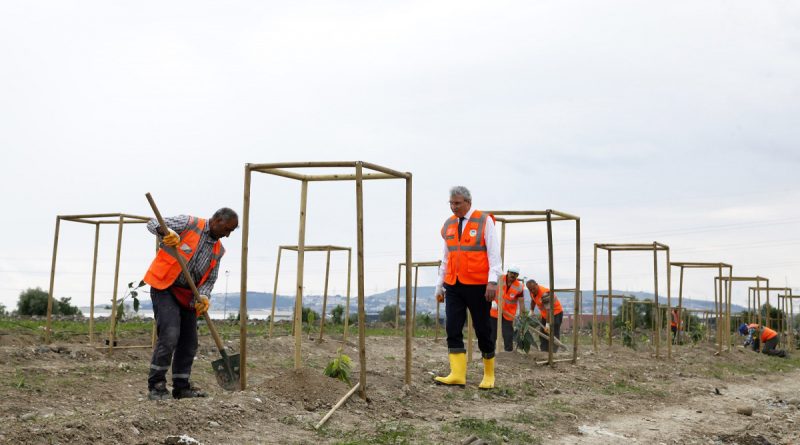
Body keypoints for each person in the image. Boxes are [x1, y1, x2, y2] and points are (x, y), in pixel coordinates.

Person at [143, 208, 239, 400]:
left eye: (231, 232)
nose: (227, 235)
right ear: (217, 220)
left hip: (189, 294)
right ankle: (156, 385)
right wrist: (167, 233)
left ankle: (181, 386)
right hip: (165, 287)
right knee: (170, 334)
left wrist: (203, 297)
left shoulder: (218, 250)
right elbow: (152, 222)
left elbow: (210, 279)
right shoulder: (189, 223)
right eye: (227, 229)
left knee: (189, 342)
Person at [434, 186, 502, 389]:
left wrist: (493, 281)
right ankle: (457, 374)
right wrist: (440, 285)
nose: (454, 207)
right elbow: (446, 258)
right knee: (452, 327)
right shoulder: (449, 225)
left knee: (483, 329)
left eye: (457, 203)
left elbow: (494, 255)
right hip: (453, 284)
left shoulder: (484, 221)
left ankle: (489, 374)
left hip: (479, 285)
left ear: (468, 202)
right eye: (451, 203)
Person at [489, 266, 524, 352]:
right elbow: (490, 290)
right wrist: (491, 301)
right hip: (495, 311)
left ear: (517, 275)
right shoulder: (499, 279)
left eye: (515, 274)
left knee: (508, 334)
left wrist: (522, 315)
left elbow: (521, 302)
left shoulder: (519, 286)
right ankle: (490, 351)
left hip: (508, 313)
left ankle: (508, 352)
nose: (513, 275)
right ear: (507, 272)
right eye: (511, 273)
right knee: (492, 332)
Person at [527, 279, 563, 353]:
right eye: (530, 289)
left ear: (537, 284)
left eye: (534, 288)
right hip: (545, 315)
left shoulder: (544, 293)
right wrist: (531, 310)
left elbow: (549, 310)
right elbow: (533, 300)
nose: (533, 291)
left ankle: (553, 352)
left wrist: (547, 324)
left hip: (555, 313)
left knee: (553, 333)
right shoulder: (532, 292)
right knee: (543, 333)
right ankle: (544, 351)